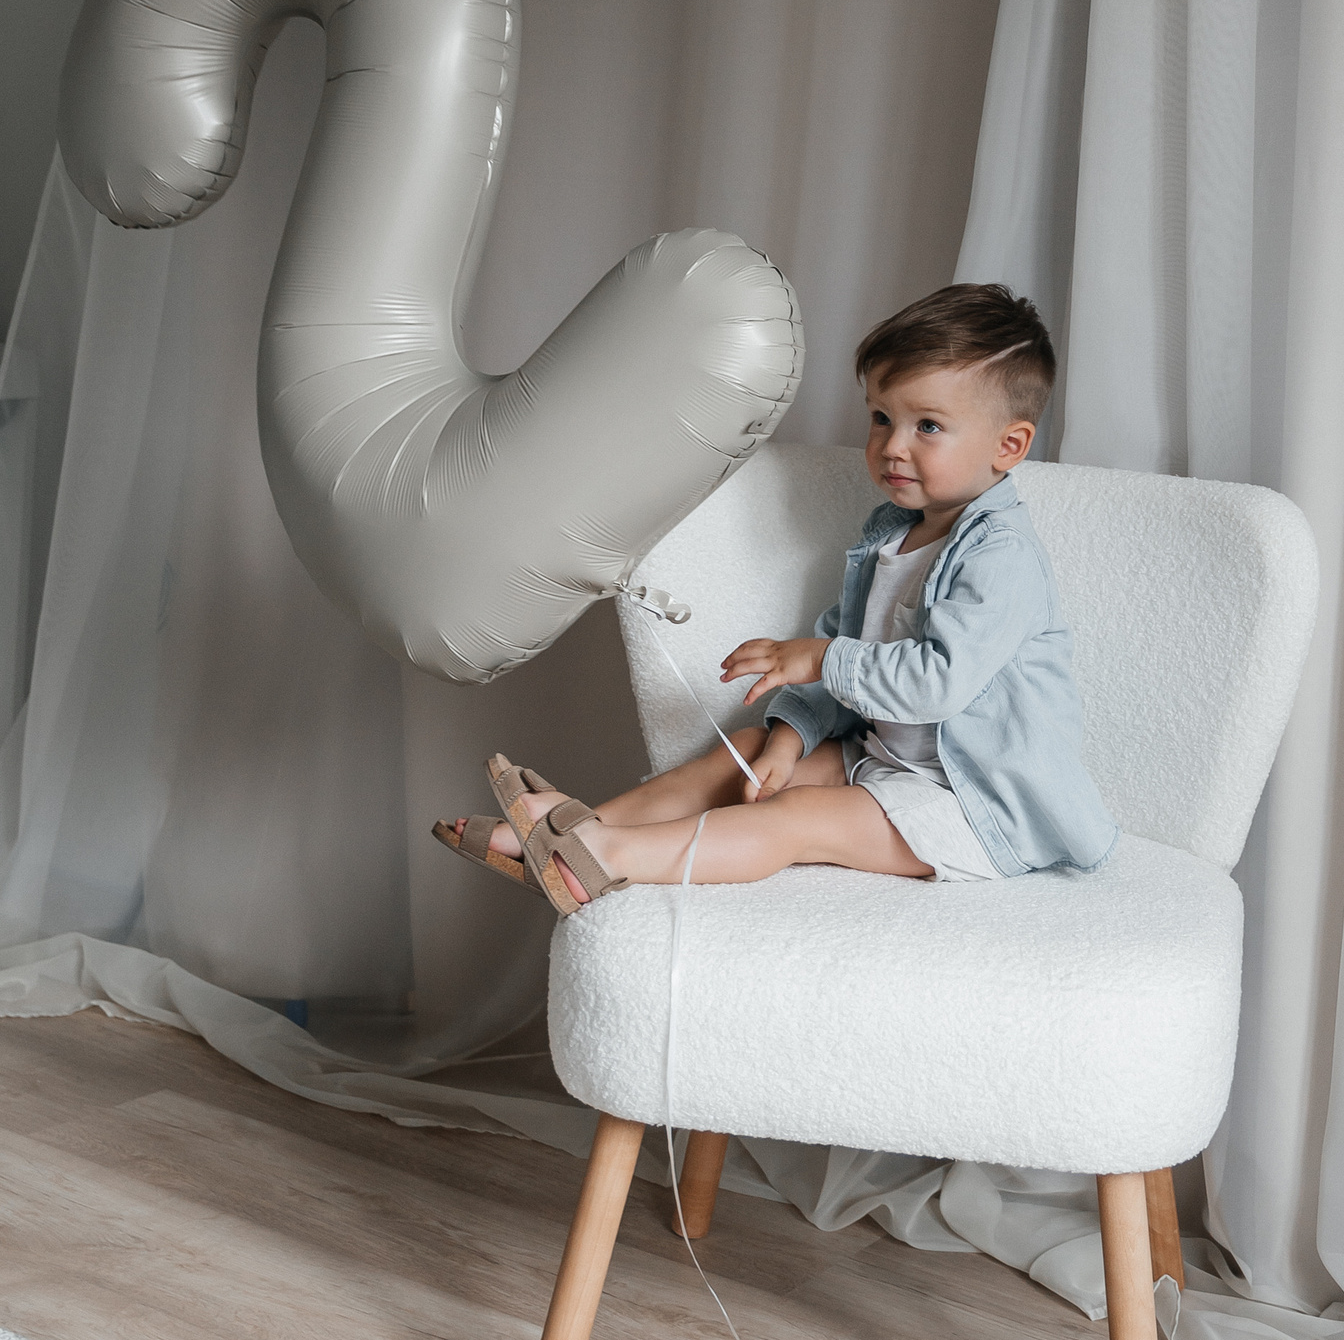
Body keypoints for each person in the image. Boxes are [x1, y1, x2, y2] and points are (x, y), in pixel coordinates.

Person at [433, 283, 1115, 909]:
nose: (892, 446)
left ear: (1009, 446)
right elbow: (844, 667)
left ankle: (606, 858)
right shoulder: (889, 536)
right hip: (884, 764)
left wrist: (816, 657)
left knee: (795, 818)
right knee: (747, 751)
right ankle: (569, 829)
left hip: (975, 806)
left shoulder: (1001, 558)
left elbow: (935, 683)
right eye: (882, 418)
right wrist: (788, 741)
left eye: (927, 426)